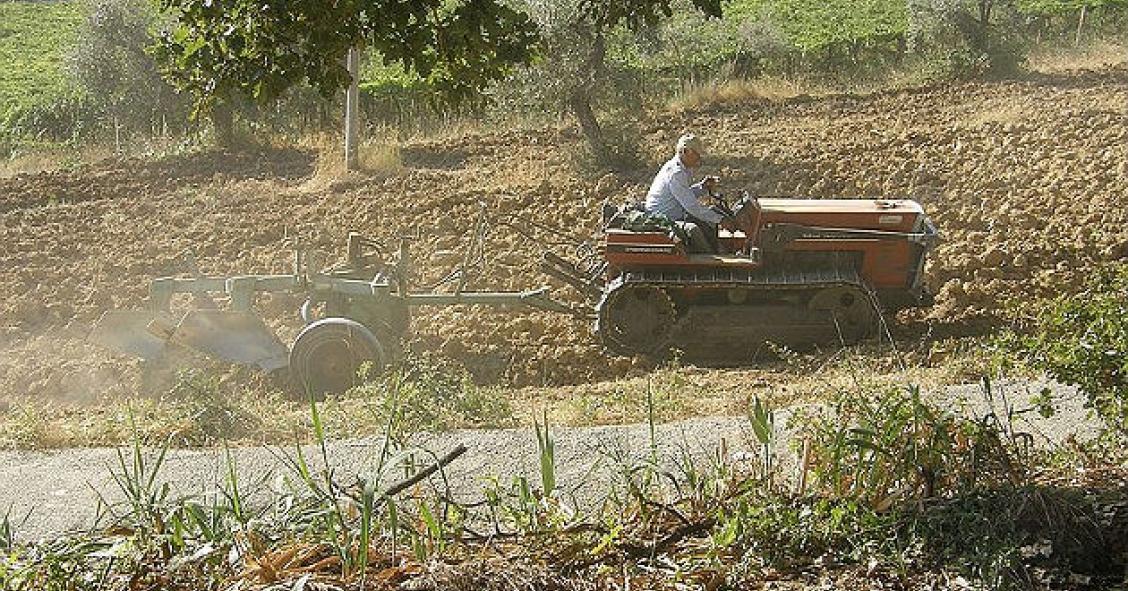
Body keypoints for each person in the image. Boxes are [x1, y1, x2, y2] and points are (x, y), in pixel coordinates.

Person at [643, 134, 736, 253]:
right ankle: (710, 260)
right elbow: (691, 206)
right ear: (685, 151)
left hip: (673, 212)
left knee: (710, 215)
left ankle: (716, 249)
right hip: (662, 218)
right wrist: (721, 220)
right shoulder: (676, 173)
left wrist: (702, 187)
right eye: (696, 154)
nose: (699, 158)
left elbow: (684, 194)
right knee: (693, 230)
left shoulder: (684, 169)